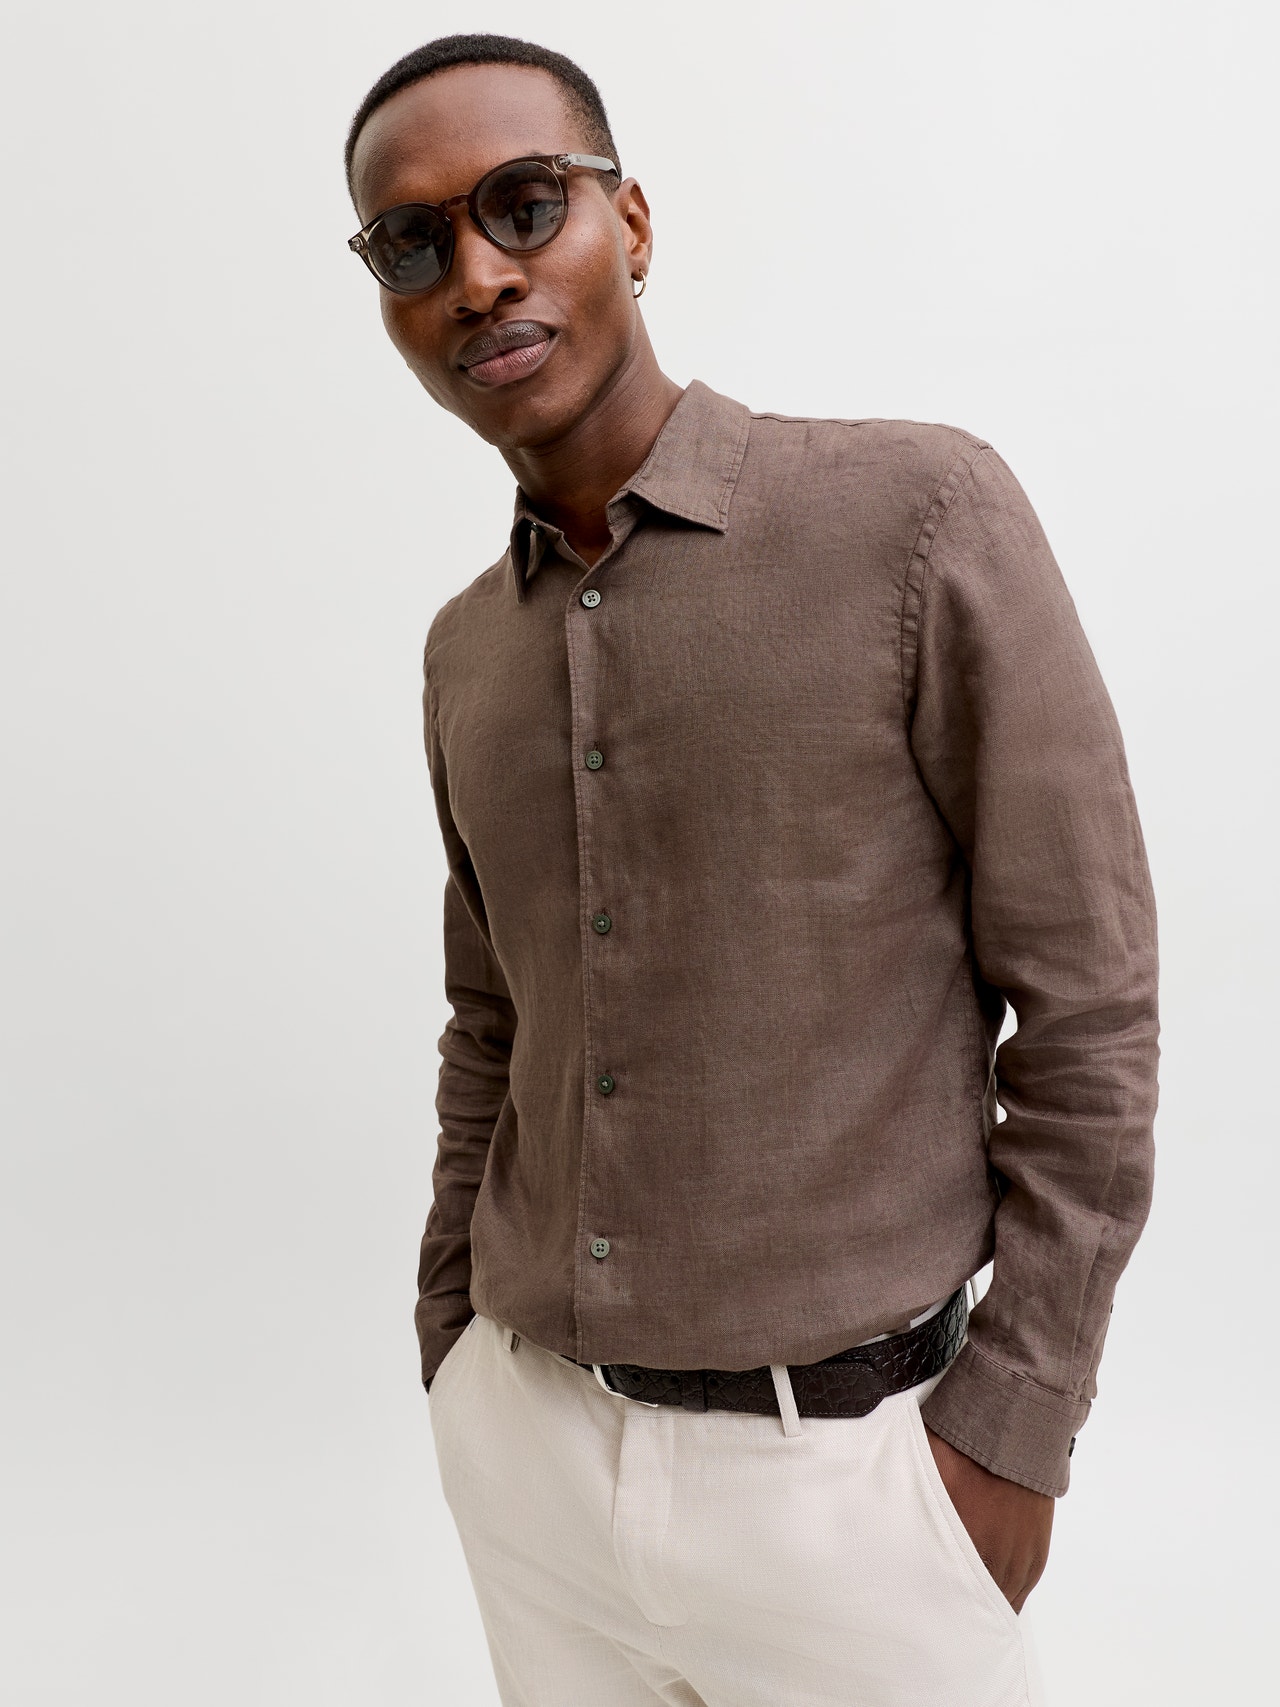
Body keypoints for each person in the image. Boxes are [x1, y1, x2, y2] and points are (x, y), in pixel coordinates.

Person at [343, 32, 1159, 1707]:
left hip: (853, 1492)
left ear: (631, 221)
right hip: (533, 1463)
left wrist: (1013, 1429)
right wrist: (453, 1345)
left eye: (525, 204)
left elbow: (1090, 1003)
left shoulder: (915, 518)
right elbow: (491, 1023)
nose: (478, 275)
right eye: (412, 245)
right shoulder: (462, 653)